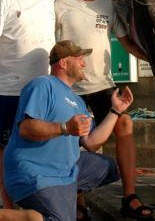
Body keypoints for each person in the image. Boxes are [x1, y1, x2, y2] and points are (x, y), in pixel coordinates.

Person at [55, 0, 155, 220]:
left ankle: (130, 196)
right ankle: (78, 202)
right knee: (72, 141)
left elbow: (127, 43)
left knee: (124, 125)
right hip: (70, 86)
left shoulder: (108, 6)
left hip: (102, 82)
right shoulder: (61, 4)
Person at [0, 39, 133, 221]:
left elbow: (92, 143)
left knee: (109, 167)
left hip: (64, 170)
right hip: (36, 172)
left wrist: (116, 110)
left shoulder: (78, 102)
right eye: (79, 58)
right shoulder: (42, 85)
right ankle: (21, 216)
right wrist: (64, 128)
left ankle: (64, 195)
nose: (84, 63)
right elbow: (26, 128)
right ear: (63, 63)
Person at [0, 0, 58, 209]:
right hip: (8, 89)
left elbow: (79, 6)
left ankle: (37, 204)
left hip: (44, 90)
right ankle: (8, 208)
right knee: (5, 150)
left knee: (40, 148)